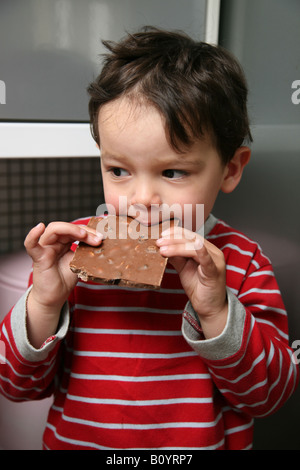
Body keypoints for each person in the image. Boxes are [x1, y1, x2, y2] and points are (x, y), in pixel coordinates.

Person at [0, 27, 298, 450]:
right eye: (118, 170)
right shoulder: (73, 256)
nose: (140, 200)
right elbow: (16, 386)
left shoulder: (243, 262)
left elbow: (268, 397)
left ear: (230, 169)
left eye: (173, 172)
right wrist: (45, 302)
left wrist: (216, 311)